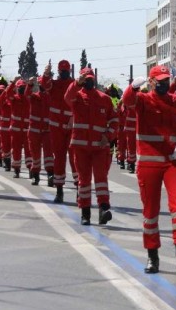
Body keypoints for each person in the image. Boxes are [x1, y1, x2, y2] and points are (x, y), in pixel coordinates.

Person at [123, 66, 176, 273]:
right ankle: (152, 256)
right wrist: (132, 87)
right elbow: (128, 101)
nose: (164, 84)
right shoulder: (144, 100)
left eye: (167, 80)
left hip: (173, 162)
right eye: (160, 80)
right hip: (149, 163)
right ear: (152, 81)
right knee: (150, 212)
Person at [65, 68, 118, 226]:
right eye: (85, 79)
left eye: (90, 78)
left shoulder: (104, 99)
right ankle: (85, 213)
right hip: (81, 147)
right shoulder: (77, 97)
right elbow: (67, 97)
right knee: (84, 180)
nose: (88, 81)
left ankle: (104, 208)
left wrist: (107, 136)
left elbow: (115, 121)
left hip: (99, 148)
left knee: (101, 179)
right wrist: (76, 83)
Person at [41, 61, 74, 204]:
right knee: (59, 158)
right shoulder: (53, 84)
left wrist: (74, 117)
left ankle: (80, 189)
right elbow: (44, 84)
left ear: (70, 71)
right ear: (59, 71)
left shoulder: (74, 85)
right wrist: (46, 73)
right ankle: (59, 190)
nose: (64, 73)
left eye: (66, 70)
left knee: (74, 157)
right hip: (56, 127)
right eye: (62, 71)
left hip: (72, 125)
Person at [2, 78, 30, 179]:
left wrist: (30, 85)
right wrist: (13, 83)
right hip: (16, 130)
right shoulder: (14, 99)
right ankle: (17, 170)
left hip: (26, 130)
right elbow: (7, 94)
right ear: (16, 88)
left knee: (29, 151)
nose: (21, 89)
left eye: (23, 87)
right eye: (19, 87)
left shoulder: (28, 99)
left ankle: (31, 168)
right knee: (16, 151)